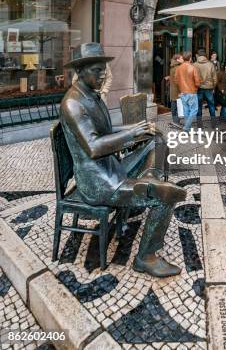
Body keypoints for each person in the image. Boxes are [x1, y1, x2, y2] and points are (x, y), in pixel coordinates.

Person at [60, 43, 186, 278]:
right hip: (99, 183)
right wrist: (130, 134)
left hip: (112, 168)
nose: (103, 75)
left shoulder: (91, 96)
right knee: (168, 194)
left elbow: (107, 130)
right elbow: (95, 147)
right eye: (97, 70)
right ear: (81, 70)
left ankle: (148, 178)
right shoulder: (74, 103)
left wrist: (138, 130)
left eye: (103, 70)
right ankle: (145, 257)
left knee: (157, 140)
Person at [175, 51, 201, 131]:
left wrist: (181, 88)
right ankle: (186, 128)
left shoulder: (178, 68)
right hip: (191, 92)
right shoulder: (192, 67)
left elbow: (176, 81)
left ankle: (187, 129)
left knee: (186, 110)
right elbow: (197, 82)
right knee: (194, 110)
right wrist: (196, 87)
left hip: (183, 92)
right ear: (190, 58)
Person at [194, 49, 217, 121]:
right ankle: (213, 122)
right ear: (205, 56)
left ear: (197, 55)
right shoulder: (210, 64)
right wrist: (213, 87)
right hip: (209, 87)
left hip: (198, 88)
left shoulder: (194, 65)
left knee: (198, 106)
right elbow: (215, 78)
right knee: (211, 105)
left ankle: (199, 124)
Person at [168, 53, 183, 127]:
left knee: (174, 105)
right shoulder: (178, 68)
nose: (182, 59)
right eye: (181, 58)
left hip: (173, 89)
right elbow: (178, 81)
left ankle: (175, 121)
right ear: (177, 59)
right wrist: (181, 91)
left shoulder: (173, 66)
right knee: (178, 106)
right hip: (177, 89)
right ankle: (176, 122)